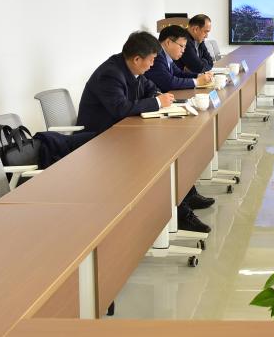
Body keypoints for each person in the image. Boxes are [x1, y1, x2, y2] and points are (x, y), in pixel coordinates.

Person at [76, 31, 212, 232]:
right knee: (160, 156)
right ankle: (181, 214)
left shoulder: (132, 68)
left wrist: (157, 95)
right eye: (151, 60)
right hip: (101, 138)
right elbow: (120, 108)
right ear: (137, 59)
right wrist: (157, 102)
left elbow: (150, 87)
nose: (152, 65)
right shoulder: (111, 74)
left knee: (172, 146)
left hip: (124, 130)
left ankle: (185, 195)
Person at [146, 25, 215, 90]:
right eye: (181, 46)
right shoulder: (156, 56)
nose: (183, 50)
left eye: (184, 47)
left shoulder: (166, 56)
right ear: (168, 42)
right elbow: (169, 83)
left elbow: (179, 74)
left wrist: (199, 76)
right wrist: (197, 82)